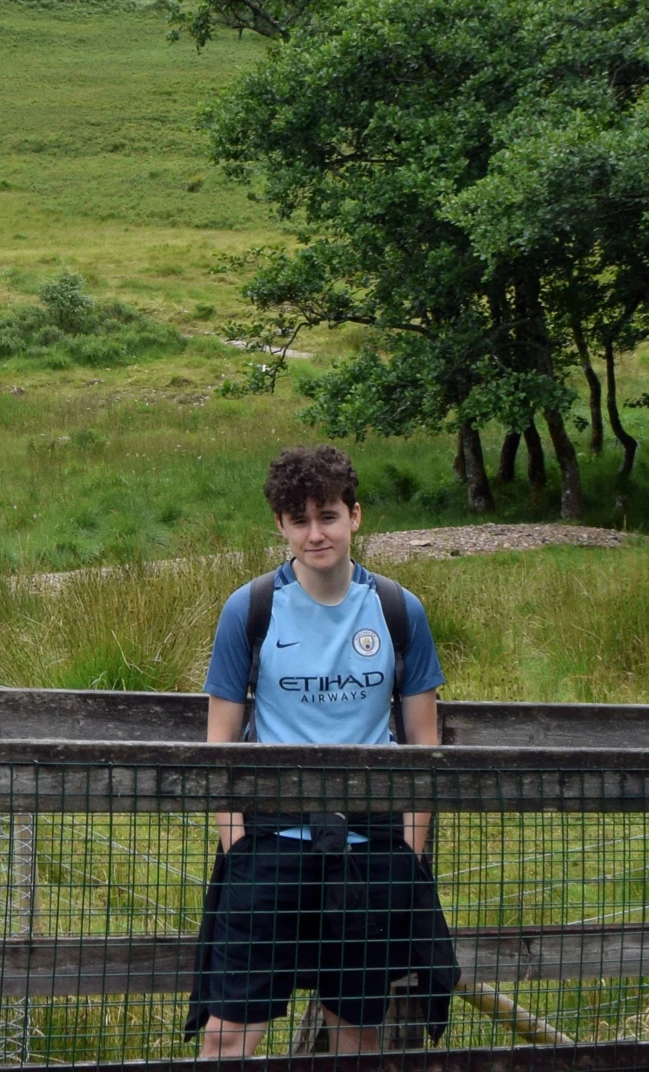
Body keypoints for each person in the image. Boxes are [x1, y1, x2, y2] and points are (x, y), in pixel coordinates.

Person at [190, 444, 457, 1058]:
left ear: (354, 516)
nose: (316, 534)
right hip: (270, 849)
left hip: (370, 856)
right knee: (229, 1035)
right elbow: (219, 745)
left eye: (328, 516)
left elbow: (424, 744)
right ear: (280, 526)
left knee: (359, 1035)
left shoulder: (397, 610)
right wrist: (238, 842)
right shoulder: (250, 610)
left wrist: (407, 850)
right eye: (300, 520)